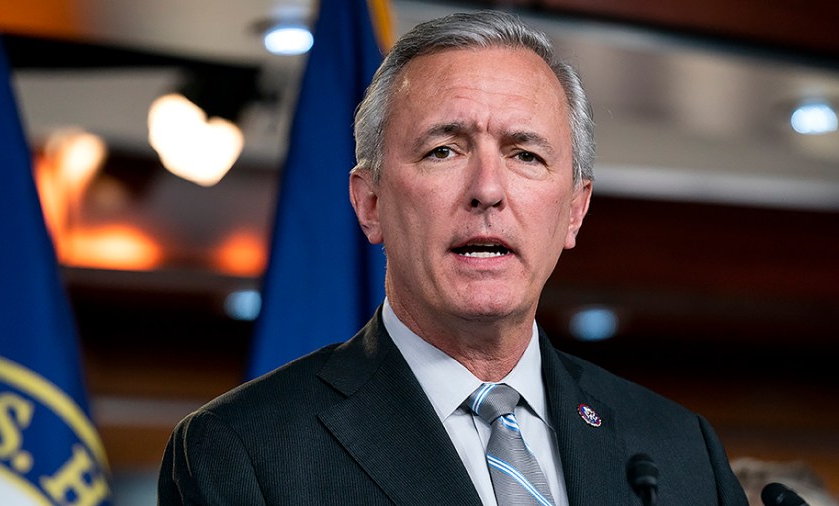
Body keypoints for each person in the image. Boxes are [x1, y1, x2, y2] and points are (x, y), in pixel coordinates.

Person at [158, 10, 748, 505]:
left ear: (574, 210)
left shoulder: (679, 448)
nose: (488, 188)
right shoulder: (242, 451)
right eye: (444, 150)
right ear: (370, 203)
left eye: (526, 156)